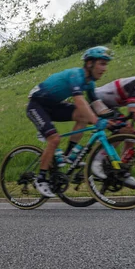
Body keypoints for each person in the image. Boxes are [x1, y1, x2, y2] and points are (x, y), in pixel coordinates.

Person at [26, 46, 115, 198]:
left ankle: (68, 155)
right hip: (37, 105)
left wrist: (113, 119)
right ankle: (41, 179)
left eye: (106, 64)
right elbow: (80, 101)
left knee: (83, 116)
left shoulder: (89, 83)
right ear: (89, 64)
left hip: (53, 106)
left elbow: (96, 104)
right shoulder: (76, 75)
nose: (104, 68)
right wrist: (96, 121)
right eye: (102, 63)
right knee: (54, 139)